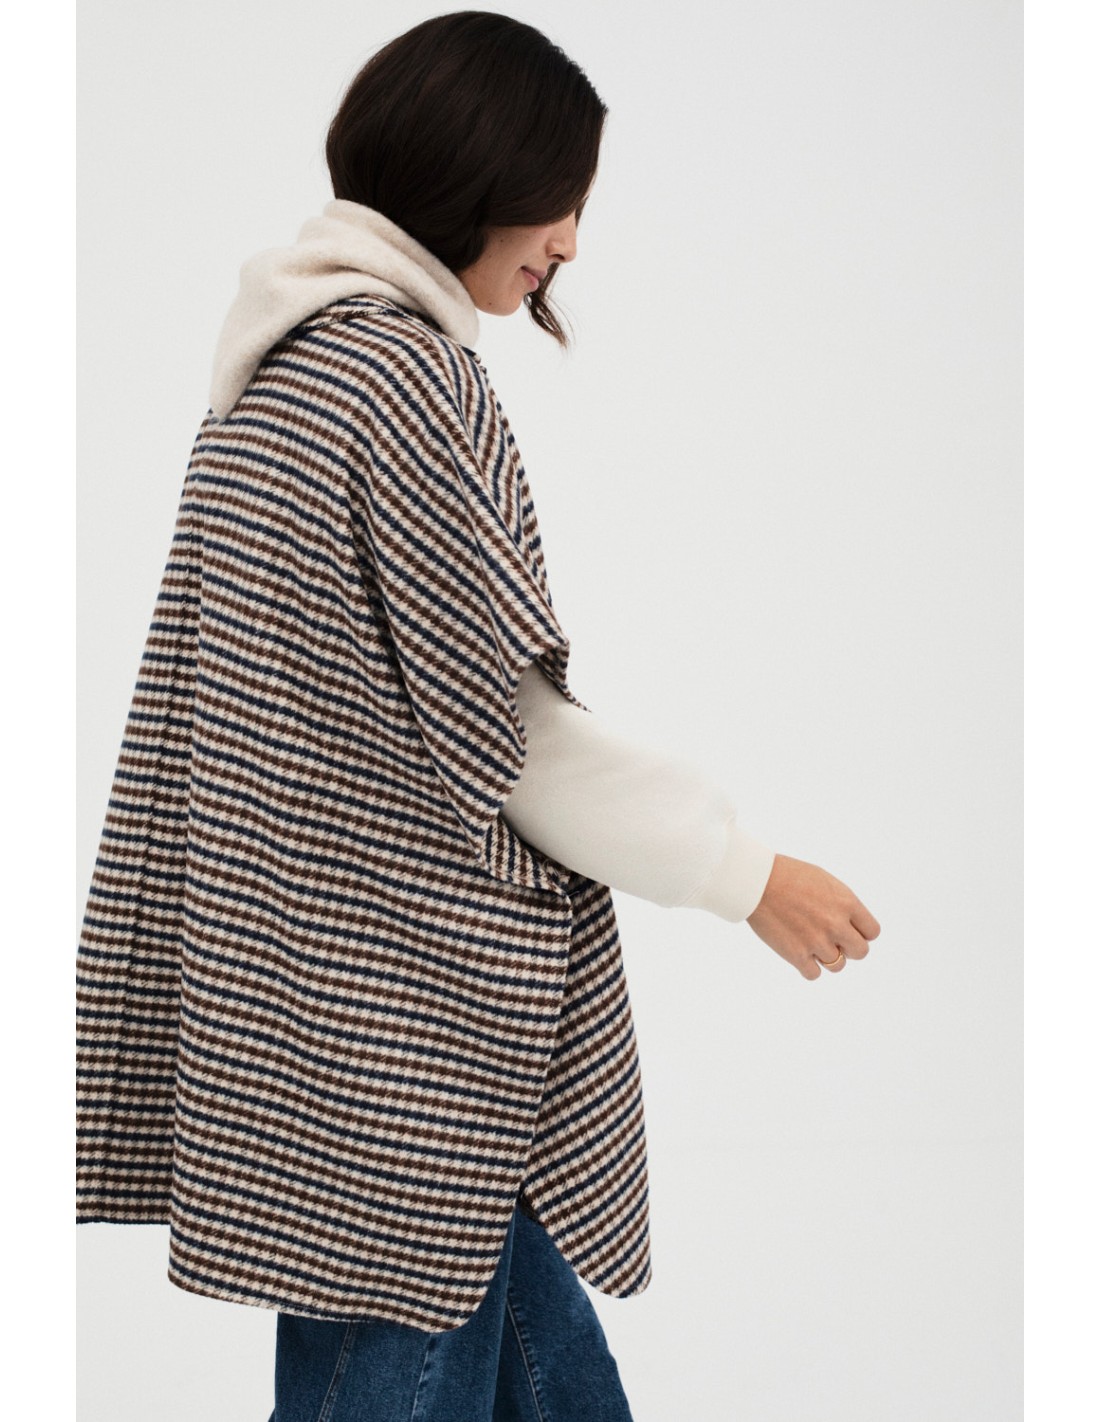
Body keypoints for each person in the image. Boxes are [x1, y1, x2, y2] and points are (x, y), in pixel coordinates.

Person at [76, 12, 881, 1420]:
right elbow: (506, 731)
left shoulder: (276, 377)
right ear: (475, 172)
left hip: (318, 1005)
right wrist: (748, 872)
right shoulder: (399, 380)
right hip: (410, 1030)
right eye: (560, 197)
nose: (570, 239)